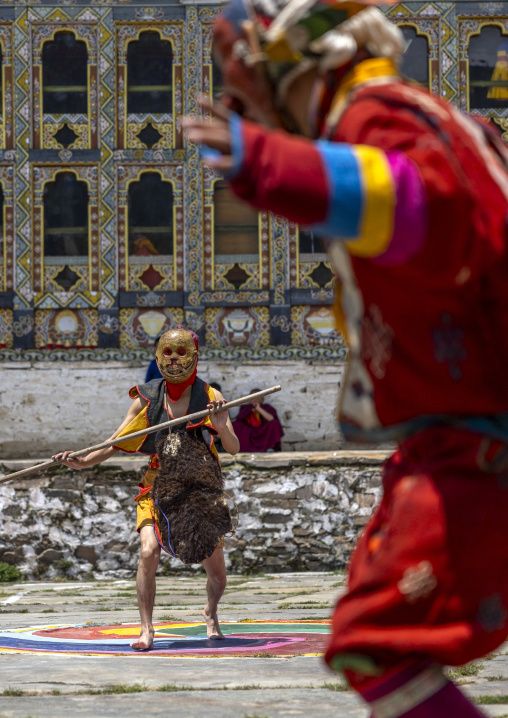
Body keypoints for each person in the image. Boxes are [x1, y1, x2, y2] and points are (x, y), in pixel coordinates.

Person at [183, 0, 508, 715]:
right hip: (453, 429)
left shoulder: (374, 118)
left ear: (298, 69)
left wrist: (272, 164)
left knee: (375, 640)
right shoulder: (431, 115)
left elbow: (431, 205)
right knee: (372, 599)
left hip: (479, 435)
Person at [53, 326, 240, 650]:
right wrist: (82, 462)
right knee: (147, 551)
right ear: (157, 357)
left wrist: (222, 427)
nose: (174, 360)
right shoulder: (147, 398)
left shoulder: (210, 397)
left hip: (199, 490)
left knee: (218, 575)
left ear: (194, 357)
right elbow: (115, 442)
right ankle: (146, 629)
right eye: (168, 353)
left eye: (182, 353)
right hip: (156, 485)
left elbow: (234, 448)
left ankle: (210, 612)